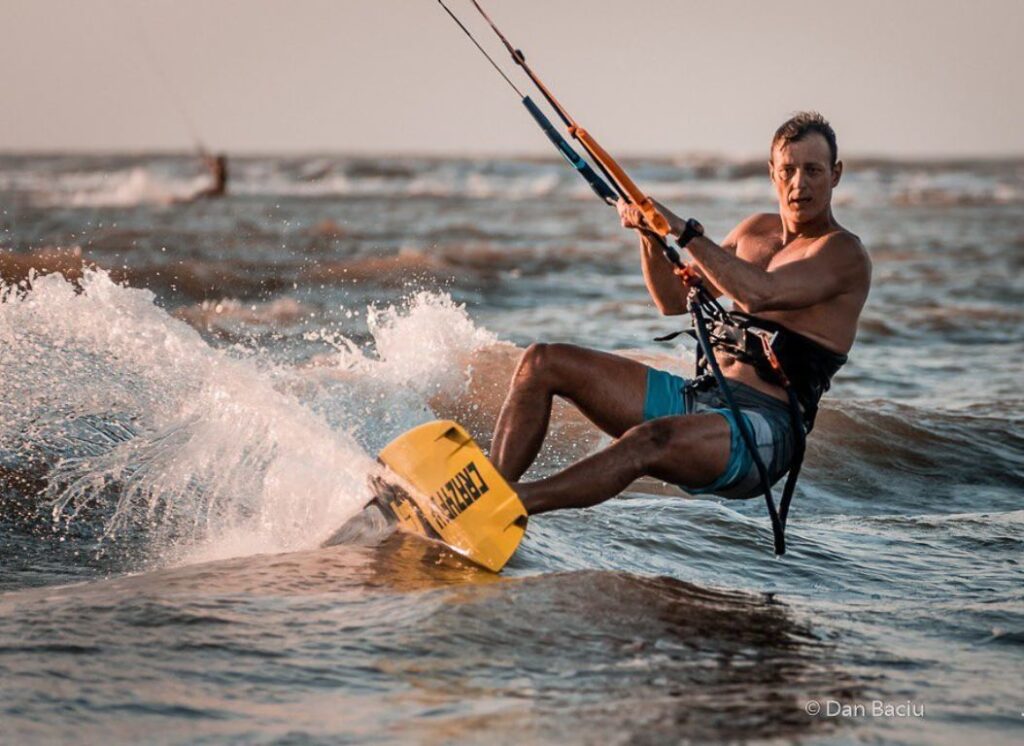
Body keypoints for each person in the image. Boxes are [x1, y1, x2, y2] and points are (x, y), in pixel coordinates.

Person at [490, 111, 871, 519]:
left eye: (813, 170)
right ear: (771, 173)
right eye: (788, 170)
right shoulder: (754, 233)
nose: (799, 184)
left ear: (835, 174)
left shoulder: (842, 253)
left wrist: (683, 231)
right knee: (542, 362)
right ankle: (488, 492)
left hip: (761, 430)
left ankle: (508, 505)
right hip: (702, 398)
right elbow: (671, 300)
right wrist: (649, 234)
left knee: (646, 441)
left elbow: (760, 293)